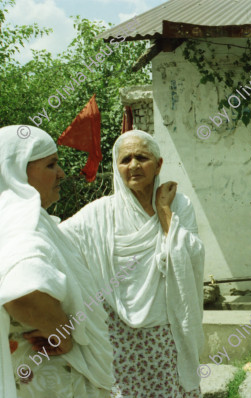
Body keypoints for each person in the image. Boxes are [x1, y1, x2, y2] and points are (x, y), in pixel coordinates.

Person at [0, 126, 114, 398]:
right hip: (46, 378)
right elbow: (22, 293)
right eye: (51, 165)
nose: (61, 173)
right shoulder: (22, 226)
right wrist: (62, 335)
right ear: (17, 172)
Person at [60, 129, 205, 398]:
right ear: (117, 167)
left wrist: (164, 211)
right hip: (116, 331)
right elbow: (57, 242)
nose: (134, 165)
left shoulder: (178, 205)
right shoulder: (101, 213)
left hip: (167, 328)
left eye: (142, 157)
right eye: (125, 160)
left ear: (158, 164)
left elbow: (192, 255)